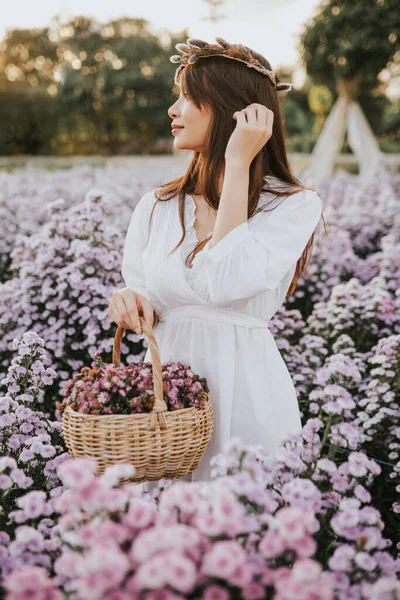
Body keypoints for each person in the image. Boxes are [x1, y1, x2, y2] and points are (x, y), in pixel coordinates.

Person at [107, 37, 324, 489]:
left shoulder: (293, 206)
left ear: (230, 110)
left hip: (245, 390)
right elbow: (145, 288)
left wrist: (238, 162)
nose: (173, 109)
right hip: (169, 404)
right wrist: (130, 299)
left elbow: (226, 283)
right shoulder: (158, 205)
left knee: (244, 527)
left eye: (187, 97)